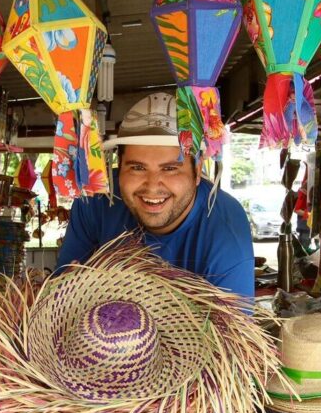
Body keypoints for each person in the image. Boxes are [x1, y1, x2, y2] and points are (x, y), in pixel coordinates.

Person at [56, 92, 255, 298]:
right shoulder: (95, 199)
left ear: (196, 171)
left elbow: (229, 328)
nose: (152, 186)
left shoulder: (226, 235)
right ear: (119, 166)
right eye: (137, 167)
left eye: (170, 168)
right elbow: (61, 294)